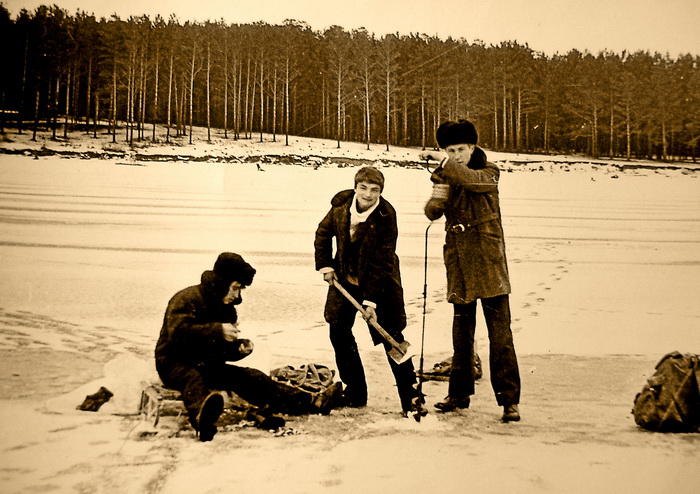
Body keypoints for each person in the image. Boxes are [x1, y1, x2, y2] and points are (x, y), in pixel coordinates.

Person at [155, 252, 343, 441]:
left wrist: (236, 349)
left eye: (240, 289)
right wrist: (218, 331)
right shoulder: (186, 298)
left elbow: (218, 353)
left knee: (252, 377)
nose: (237, 295)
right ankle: (203, 420)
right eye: (235, 288)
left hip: (207, 365)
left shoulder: (227, 310)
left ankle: (312, 402)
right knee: (193, 379)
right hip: (173, 363)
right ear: (221, 283)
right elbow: (177, 334)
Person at [420, 119, 521, 422]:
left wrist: (446, 165)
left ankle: (509, 401)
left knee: (500, 337)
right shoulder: (447, 173)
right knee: (461, 336)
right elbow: (432, 210)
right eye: (450, 149)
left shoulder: (489, 172)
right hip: (460, 263)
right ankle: (459, 394)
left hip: (489, 264)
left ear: (473, 147)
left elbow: (473, 181)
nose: (457, 154)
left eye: (461, 149)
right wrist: (436, 202)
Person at [314, 166, 424, 417]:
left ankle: (412, 399)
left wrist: (371, 301)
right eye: (363, 188)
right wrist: (326, 265)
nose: (368, 194)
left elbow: (383, 261)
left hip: (380, 281)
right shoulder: (341, 206)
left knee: (391, 336)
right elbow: (322, 233)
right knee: (338, 330)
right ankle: (355, 392)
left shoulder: (386, 215)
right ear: (355, 188)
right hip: (344, 277)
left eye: (375, 190)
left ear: (380, 192)